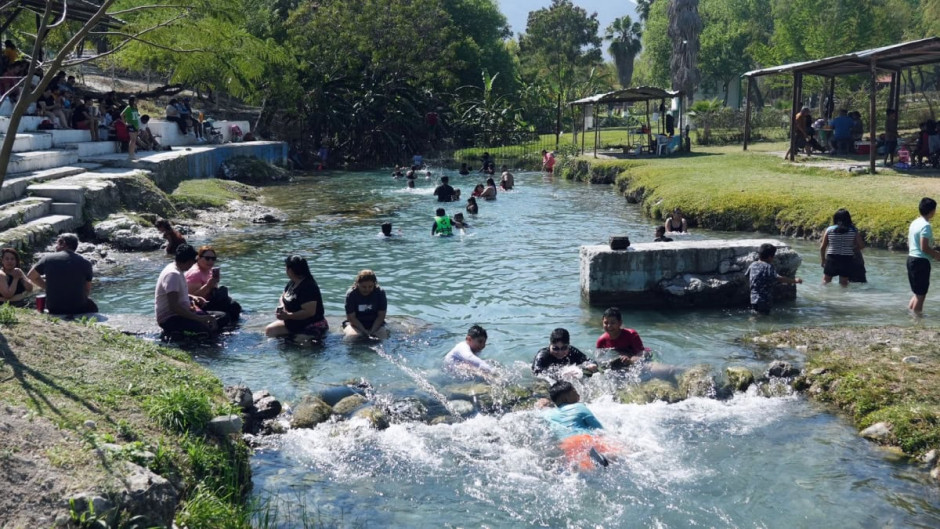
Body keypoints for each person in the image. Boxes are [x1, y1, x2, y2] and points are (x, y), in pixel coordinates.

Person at [541, 380, 619, 471]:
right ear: (566, 397)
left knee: (581, 472)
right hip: (585, 440)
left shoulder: (547, 414)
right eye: (574, 391)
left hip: (567, 445)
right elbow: (599, 430)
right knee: (617, 460)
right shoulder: (579, 407)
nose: (578, 394)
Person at [155, 244, 222, 334]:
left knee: (222, 317)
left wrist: (192, 297)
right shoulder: (173, 275)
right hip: (170, 318)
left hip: (182, 312)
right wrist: (199, 318)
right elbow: (174, 306)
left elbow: (174, 295)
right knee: (208, 327)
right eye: (193, 261)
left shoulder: (177, 270)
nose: (193, 264)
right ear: (188, 261)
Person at [27, 233, 98, 315]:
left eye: (57, 243)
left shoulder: (48, 259)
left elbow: (31, 276)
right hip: (78, 308)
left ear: (63, 243)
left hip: (54, 308)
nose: (55, 247)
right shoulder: (86, 263)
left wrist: (47, 287)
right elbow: (87, 290)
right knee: (92, 305)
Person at [265, 255, 329, 340]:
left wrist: (288, 316)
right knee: (270, 330)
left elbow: (309, 312)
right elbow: (283, 296)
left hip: (311, 324)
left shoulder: (308, 286)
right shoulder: (292, 282)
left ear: (290, 270)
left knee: (300, 341)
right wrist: (282, 307)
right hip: (293, 323)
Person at [184, 245, 242, 322]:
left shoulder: (210, 270)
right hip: (200, 305)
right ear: (199, 258)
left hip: (210, 301)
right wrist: (208, 285)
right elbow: (192, 297)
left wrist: (214, 284)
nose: (210, 261)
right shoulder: (195, 273)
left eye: (213, 259)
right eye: (207, 258)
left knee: (234, 305)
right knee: (232, 308)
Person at [746, 243, 803, 315]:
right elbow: (779, 278)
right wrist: (794, 281)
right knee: (765, 317)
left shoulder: (753, 264)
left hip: (753, 298)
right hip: (764, 300)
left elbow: (747, 276)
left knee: (755, 314)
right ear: (770, 257)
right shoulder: (768, 266)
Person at [907, 197, 940, 314]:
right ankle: (917, 320)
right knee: (921, 295)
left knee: (917, 293)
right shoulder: (926, 226)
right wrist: (936, 255)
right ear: (931, 211)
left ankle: (911, 316)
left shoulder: (915, 222)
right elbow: (924, 247)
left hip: (911, 258)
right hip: (921, 262)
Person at [819, 209, 864, 286]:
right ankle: (843, 297)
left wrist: (823, 260)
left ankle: (823, 296)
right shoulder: (853, 230)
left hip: (832, 257)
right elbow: (861, 246)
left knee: (826, 280)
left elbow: (823, 247)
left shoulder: (829, 229)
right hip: (846, 258)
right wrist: (851, 250)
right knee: (844, 283)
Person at [343, 269, 389, 340]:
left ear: (374, 284)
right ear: (357, 284)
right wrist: (364, 331)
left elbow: (381, 316)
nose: (367, 289)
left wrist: (372, 331)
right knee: (351, 338)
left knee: (383, 338)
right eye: (364, 287)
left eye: (370, 286)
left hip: (376, 324)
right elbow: (351, 317)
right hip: (355, 324)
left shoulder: (380, 293)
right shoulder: (351, 294)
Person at [531, 328, 597, 375]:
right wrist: (561, 374)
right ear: (550, 345)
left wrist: (592, 365)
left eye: (564, 348)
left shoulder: (572, 351)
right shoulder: (543, 355)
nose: (560, 352)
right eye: (555, 348)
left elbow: (588, 360)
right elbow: (537, 372)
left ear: (568, 345)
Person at [121, 96, 141, 160]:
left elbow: (137, 117)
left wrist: (138, 127)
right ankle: (130, 155)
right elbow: (122, 115)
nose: (136, 101)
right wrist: (125, 123)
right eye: (135, 100)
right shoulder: (128, 108)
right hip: (130, 125)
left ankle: (132, 154)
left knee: (134, 140)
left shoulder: (135, 108)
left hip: (135, 125)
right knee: (132, 139)